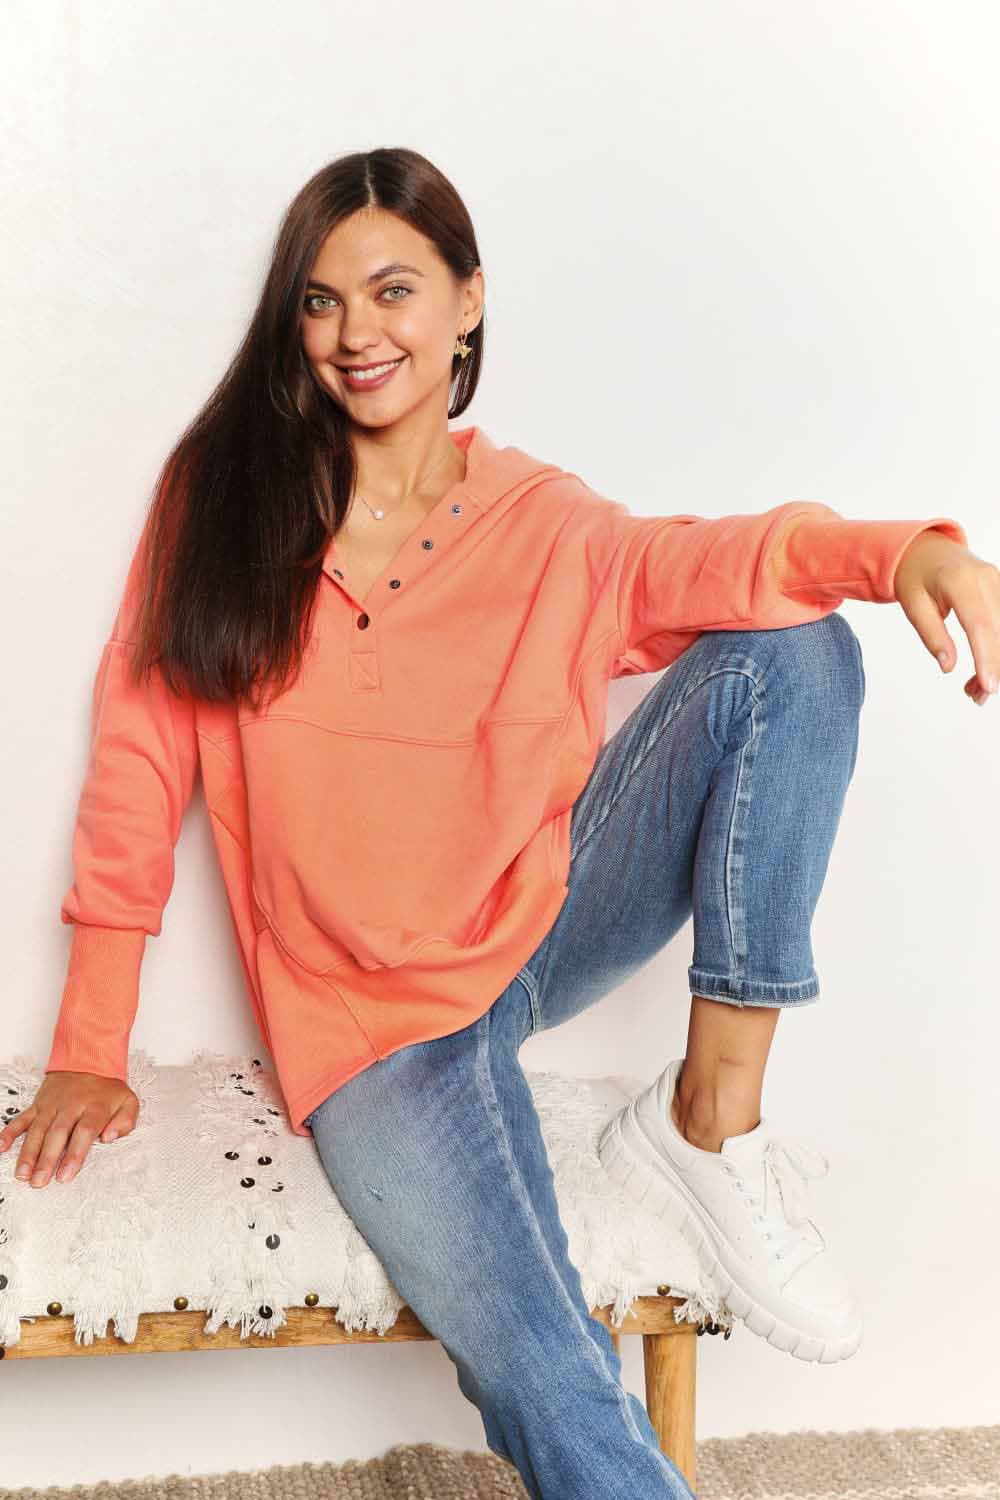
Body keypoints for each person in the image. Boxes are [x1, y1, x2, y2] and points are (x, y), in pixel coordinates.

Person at [2, 147, 993, 1500]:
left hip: (531, 930)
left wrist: (903, 552)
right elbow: (138, 754)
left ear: (467, 302)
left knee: (796, 648)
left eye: (395, 290)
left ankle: (710, 1117)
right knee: (545, 1369)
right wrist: (88, 1045)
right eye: (321, 301)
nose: (358, 334)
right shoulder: (224, 507)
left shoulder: (539, 522)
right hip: (372, 1044)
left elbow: (714, 559)